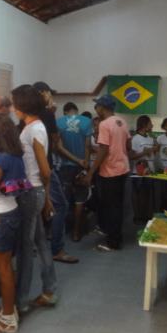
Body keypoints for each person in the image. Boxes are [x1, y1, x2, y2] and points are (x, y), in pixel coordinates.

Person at [0, 113, 31, 333]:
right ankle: (7, 310)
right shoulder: (15, 154)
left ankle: (9, 318)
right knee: (5, 266)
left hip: (0, 217)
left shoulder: (1, 158)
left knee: (3, 269)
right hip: (7, 213)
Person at [11, 84, 58, 310]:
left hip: (31, 191)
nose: (12, 108)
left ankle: (20, 301)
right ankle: (49, 290)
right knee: (40, 241)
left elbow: (45, 170)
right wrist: (45, 197)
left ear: (22, 105)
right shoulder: (33, 127)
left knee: (25, 247)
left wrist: (44, 196)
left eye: (14, 104)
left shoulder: (33, 129)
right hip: (36, 191)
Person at [33, 82, 78, 264]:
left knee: (36, 208)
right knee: (60, 206)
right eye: (49, 93)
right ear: (43, 93)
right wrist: (52, 111)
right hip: (45, 167)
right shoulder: (47, 114)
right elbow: (55, 139)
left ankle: (34, 245)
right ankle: (57, 249)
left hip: (31, 168)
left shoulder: (29, 116)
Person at [83, 95, 130, 251]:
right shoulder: (122, 121)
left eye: (97, 106)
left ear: (103, 107)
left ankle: (113, 242)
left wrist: (90, 173)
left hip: (110, 171)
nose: (96, 109)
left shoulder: (104, 124)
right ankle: (114, 235)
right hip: (123, 169)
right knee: (116, 206)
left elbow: (103, 150)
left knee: (111, 208)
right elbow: (127, 146)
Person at [56, 102, 92, 242]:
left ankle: (59, 231)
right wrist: (84, 163)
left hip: (65, 167)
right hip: (82, 166)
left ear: (65, 112)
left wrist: (75, 159)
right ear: (76, 111)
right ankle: (76, 232)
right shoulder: (86, 121)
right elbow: (88, 146)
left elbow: (58, 147)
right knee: (80, 200)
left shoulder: (59, 122)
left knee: (63, 200)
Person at [130, 115, 158, 223]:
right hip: (138, 173)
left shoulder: (151, 138)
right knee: (138, 195)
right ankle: (137, 216)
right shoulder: (135, 138)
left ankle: (146, 216)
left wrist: (155, 149)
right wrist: (144, 152)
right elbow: (131, 156)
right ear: (144, 125)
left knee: (147, 196)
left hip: (150, 172)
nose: (152, 125)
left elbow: (152, 156)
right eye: (150, 123)